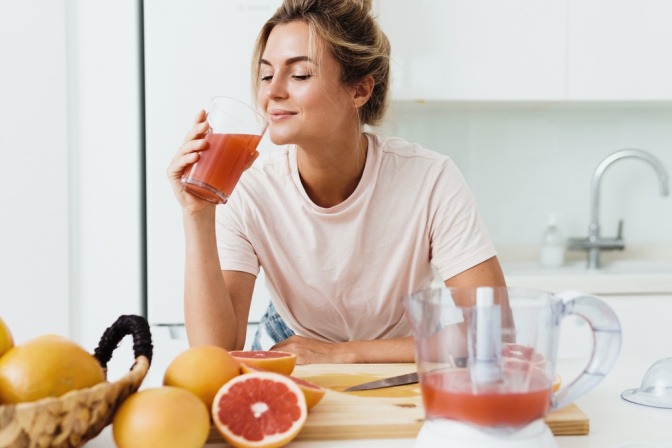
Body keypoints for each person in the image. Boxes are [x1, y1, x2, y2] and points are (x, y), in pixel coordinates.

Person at [167, 0, 506, 364]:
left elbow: (494, 331)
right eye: (267, 75)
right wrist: (197, 215)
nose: (273, 92)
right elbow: (215, 354)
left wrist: (343, 354)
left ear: (359, 91)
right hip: (289, 351)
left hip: (396, 355)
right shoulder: (248, 188)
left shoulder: (429, 179)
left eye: (298, 75)